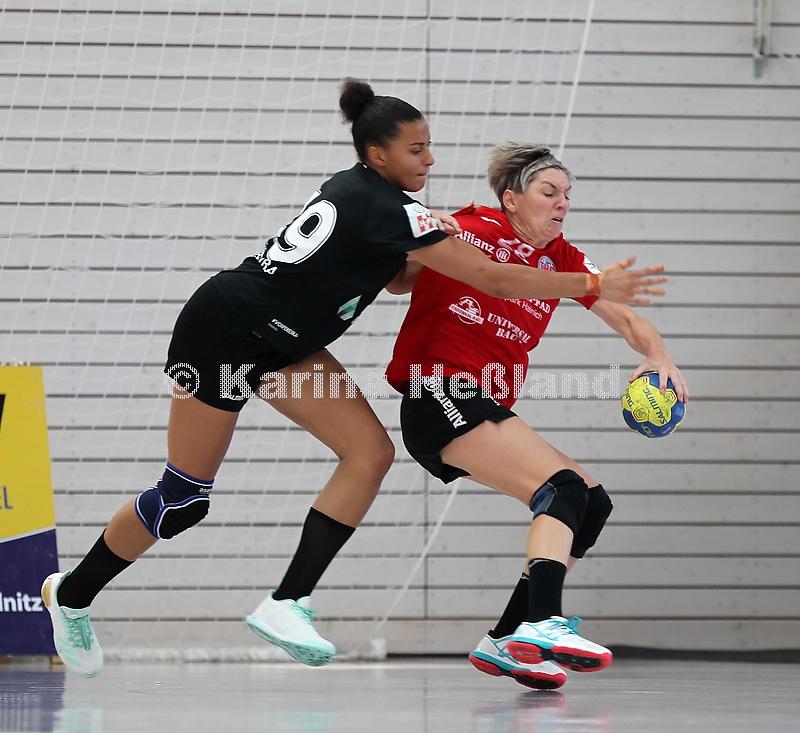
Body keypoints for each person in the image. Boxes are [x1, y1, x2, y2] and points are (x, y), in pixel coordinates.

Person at [41, 84, 668, 678]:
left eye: (428, 146)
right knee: (184, 500)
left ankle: (287, 602)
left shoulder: (384, 204)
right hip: (221, 333)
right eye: (416, 149)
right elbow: (494, 278)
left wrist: (431, 235)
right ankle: (71, 595)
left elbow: (398, 277)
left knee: (370, 452)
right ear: (378, 154)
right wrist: (591, 282)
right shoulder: (384, 206)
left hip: (286, 344)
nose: (430, 159)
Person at [386, 143, 688, 690]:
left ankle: (506, 639)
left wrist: (658, 354)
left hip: (481, 402)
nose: (562, 203)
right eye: (549, 192)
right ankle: (544, 621)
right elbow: (397, 275)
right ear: (511, 199)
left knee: (590, 503)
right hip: (437, 392)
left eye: (567, 194)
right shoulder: (469, 228)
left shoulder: (564, 260)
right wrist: (422, 232)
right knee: (561, 489)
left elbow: (628, 320)